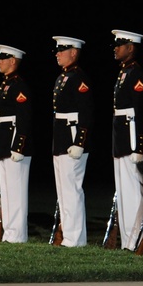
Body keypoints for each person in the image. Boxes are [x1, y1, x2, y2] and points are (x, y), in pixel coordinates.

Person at [51, 35, 93, 247]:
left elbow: (86, 111)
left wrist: (80, 141)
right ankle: (69, 236)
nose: (57, 53)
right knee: (63, 191)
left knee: (72, 190)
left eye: (62, 50)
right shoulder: (63, 77)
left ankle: (75, 238)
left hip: (72, 138)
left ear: (74, 53)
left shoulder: (79, 78)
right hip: (61, 139)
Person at [110, 29, 143, 251]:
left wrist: (140, 145)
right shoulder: (124, 72)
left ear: (131, 47)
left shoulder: (136, 74)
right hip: (122, 138)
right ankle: (127, 239)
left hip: (132, 138)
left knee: (134, 189)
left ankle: (136, 238)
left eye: (120, 44)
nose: (116, 48)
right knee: (124, 191)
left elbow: (140, 111)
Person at [0, 44, 33, 243]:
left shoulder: (18, 85)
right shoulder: (6, 83)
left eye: (3, 58)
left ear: (13, 61)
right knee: (7, 191)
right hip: (4, 141)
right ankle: (9, 232)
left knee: (16, 190)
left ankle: (17, 234)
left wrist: (19, 145)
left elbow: (24, 117)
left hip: (15, 143)